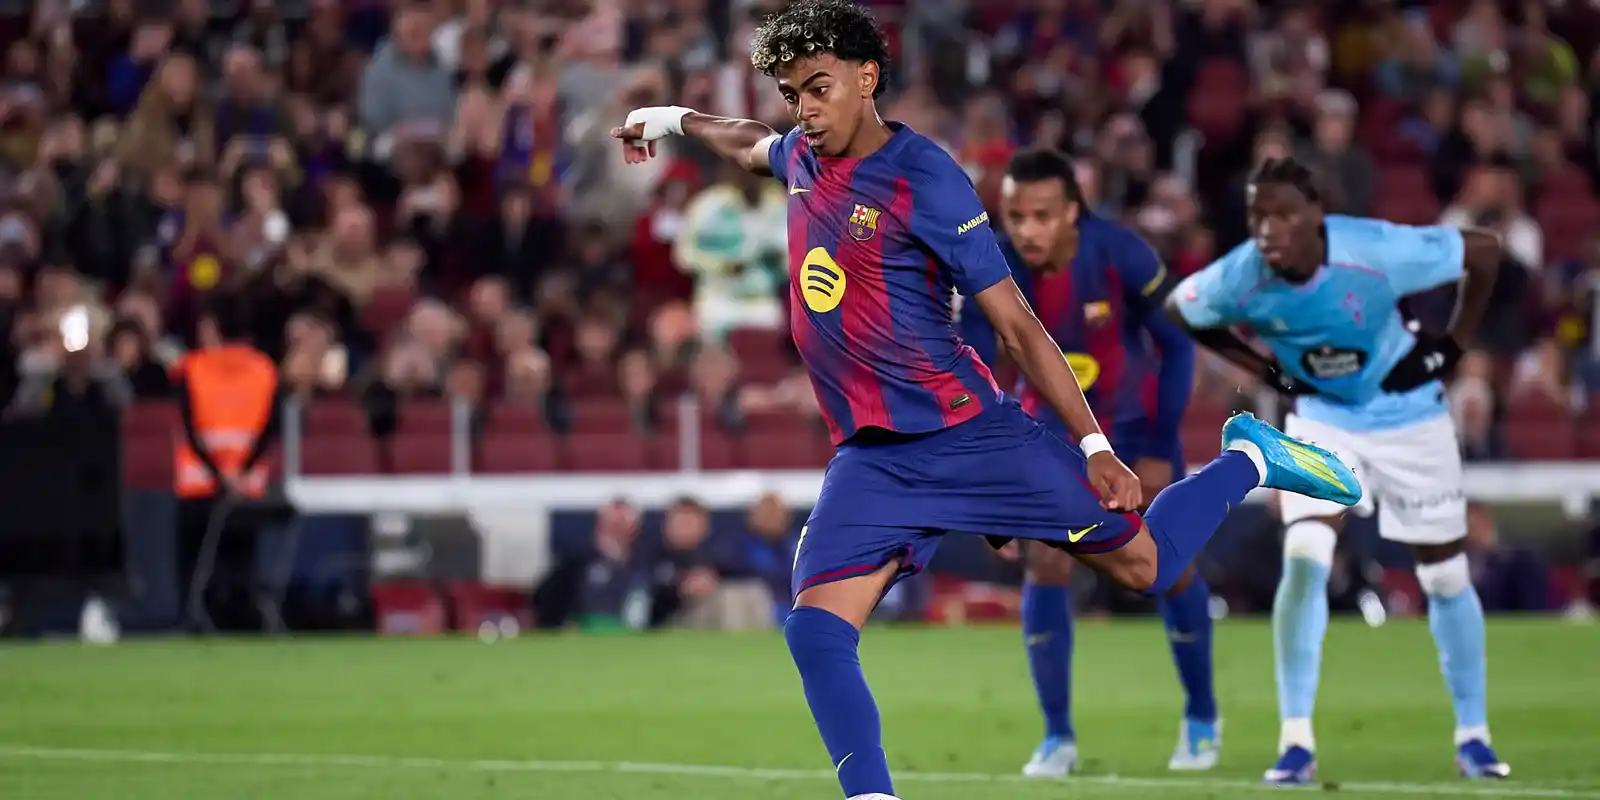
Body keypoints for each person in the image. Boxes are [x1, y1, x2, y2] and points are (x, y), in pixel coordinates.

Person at [612, 4, 1359, 798]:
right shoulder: (802, 153)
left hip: (971, 435)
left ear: (868, 79)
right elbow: (746, 141)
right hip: (873, 458)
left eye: (819, 88)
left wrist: (1096, 448)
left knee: (1146, 567)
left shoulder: (926, 177)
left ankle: (1249, 457)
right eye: (795, 93)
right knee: (815, 629)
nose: (804, 109)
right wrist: (668, 118)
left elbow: (1017, 325)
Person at [1167, 156, 1510, 784]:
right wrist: (1263, 368)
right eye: (1258, 215)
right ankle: (1295, 742)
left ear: (1317, 216)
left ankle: (1474, 736)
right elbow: (1182, 309)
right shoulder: (1242, 274)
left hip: (1410, 417)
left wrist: (1451, 347)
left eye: (1284, 215)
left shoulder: (1375, 250)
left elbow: (1484, 251)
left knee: (1443, 577)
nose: (1268, 229)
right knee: (1305, 555)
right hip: (1324, 421)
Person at [959, 148, 1218, 776]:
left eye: (1042, 215)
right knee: (1045, 562)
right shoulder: (985, 265)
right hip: (1046, 437)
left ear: (1073, 212)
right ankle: (1057, 737)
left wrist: (1159, 446)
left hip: (1132, 429)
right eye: (1015, 216)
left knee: (1168, 570)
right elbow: (974, 373)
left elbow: (1178, 348)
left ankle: (1202, 716)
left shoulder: (1122, 254)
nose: (1026, 230)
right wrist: (991, 481)